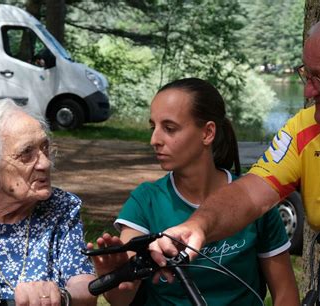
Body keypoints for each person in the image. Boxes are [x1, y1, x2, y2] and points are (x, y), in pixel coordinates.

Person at [150, 9, 320, 306]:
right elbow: (251, 193)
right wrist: (198, 225)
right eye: (307, 73)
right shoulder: (306, 128)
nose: (309, 89)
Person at [88, 78, 299, 305]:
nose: (154, 140)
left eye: (169, 129)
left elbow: (285, 292)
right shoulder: (145, 201)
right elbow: (121, 299)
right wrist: (116, 275)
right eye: (153, 127)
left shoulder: (253, 200)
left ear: (207, 133)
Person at [0, 99, 97, 305]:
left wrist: (62, 296)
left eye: (45, 148)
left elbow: (85, 286)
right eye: (27, 153)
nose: (45, 163)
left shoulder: (62, 207)